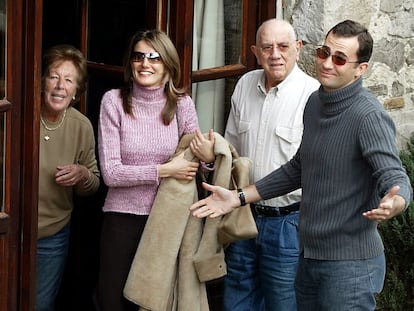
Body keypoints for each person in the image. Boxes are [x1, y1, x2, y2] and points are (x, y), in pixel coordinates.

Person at [190, 19, 413, 311]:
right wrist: (238, 197)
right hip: (308, 256)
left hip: (350, 267)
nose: (327, 63)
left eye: (340, 58)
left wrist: (395, 201)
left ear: (361, 69)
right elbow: (298, 168)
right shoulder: (315, 102)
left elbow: (395, 176)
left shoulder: (367, 115)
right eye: (324, 52)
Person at [96, 29, 214, 311]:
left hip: (167, 219)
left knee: (158, 302)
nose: (145, 64)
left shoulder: (182, 104)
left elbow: (196, 163)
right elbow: (111, 173)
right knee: (113, 300)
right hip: (122, 219)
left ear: (168, 65)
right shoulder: (113, 102)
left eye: (154, 57)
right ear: (130, 63)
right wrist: (164, 170)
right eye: (138, 56)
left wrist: (208, 158)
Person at [222, 18, 319, 311]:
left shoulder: (313, 96)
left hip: (288, 223)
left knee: (283, 303)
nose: (275, 54)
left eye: (283, 46)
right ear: (255, 51)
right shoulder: (244, 85)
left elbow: (311, 169)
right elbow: (232, 149)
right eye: (267, 47)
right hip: (243, 216)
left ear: (298, 49)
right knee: (237, 299)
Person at [37, 44, 100, 311]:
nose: (60, 85)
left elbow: (94, 182)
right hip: (8, 230)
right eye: (54, 76)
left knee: (40, 306)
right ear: (41, 81)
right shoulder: (16, 114)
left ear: (76, 91)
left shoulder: (80, 126)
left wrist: (82, 174)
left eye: (69, 80)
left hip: (51, 235)